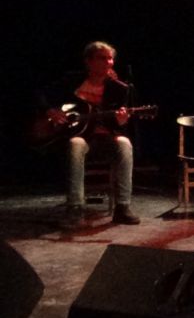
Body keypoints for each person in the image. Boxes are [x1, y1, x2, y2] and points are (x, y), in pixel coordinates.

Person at [42, 41, 141, 229]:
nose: (108, 62)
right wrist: (51, 111)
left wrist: (121, 121)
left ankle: (122, 207)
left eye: (110, 58)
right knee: (76, 144)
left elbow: (117, 124)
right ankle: (75, 208)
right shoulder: (72, 80)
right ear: (89, 61)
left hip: (106, 137)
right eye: (102, 58)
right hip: (80, 135)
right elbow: (41, 94)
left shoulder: (120, 88)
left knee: (125, 143)